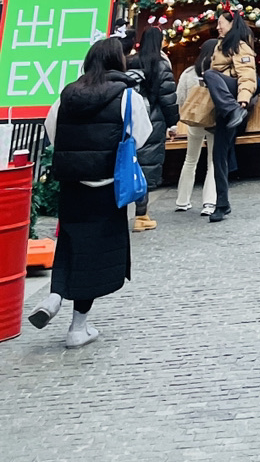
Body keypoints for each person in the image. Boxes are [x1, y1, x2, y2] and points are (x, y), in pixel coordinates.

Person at [28, 36, 152, 348]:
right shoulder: (127, 97)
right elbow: (141, 134)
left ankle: (54, 297)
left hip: (73, 185)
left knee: (69, 243)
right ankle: (77, 328)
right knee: (95, 256)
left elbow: (52, 131)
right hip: (107, 187)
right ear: (117, 62)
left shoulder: (66, 95)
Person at [205, 13, 257, 224]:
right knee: (219, 156)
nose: (217, 27)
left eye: (221, 23)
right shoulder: (220, 46)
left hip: (235, 100)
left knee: (210, 75)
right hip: (225, 108)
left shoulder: (240, 46)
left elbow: (247, 76)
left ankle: (233, 111)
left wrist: (242, 102)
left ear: (231, 24)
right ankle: (222, 204)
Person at [130, 24, 178, 231]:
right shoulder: (161, 65)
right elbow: (168, 98)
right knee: (146, 166)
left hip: (129, 117)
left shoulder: (130, 61)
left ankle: (125, 210)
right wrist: (173, 123)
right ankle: (141, 215)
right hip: (153, 120)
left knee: (129, 162)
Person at [174, 38, 218, 215]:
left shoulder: (188, 73)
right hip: (213, 121)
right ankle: (209, 203)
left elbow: (180, 98)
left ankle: (182, 200)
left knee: (190, 159)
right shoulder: (217, 72)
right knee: (212, 162)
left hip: (193, 122)